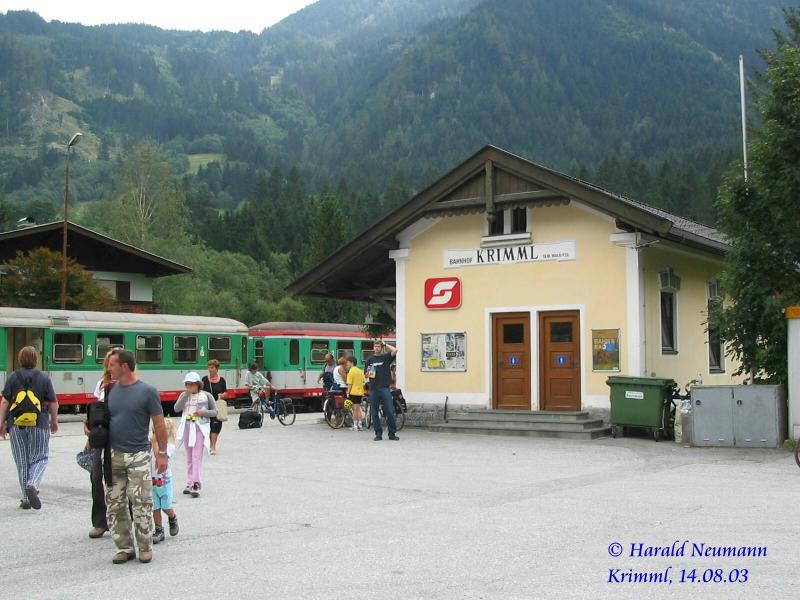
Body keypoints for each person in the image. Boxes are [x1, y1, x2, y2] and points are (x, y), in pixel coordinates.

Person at [105, 348, 168, 565]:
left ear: (124, 366)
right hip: (114, 455)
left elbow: (159, 424)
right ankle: (124, 547)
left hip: (139, 455)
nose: (108, 368)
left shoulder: (148, 391)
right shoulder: (110, 390)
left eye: (112, 364)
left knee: (141, 501)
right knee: (115, 503)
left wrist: (162, 453)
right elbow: (107, 421)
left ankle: (144, 546)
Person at [0, 346, 58, 510]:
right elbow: (53, 402)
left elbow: (5, 401)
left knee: (22, 461)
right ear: (36, 360)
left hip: (16, 424)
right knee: (40, 458)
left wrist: (1, 423)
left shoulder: (13, 377)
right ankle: (33, 484)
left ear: (20, 359)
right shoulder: (44, 377)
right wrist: (54, 421)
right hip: (38, 424)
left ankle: (26, 498)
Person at [85, 350, 114, 538]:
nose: (110, 368)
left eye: (113, 364)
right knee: (96, 476)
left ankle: (122, 519)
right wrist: (89, 437)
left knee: (117, 478)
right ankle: (100, 522)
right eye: (108, 364)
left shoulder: (127, 387)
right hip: (99, 436)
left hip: (119, 436)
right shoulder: (101, 385)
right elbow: (96, 414)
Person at [174, 372, 217, 498]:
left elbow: (215, 412)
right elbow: (176, 408)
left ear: (198, 384)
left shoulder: (206, 395)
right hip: (186, 425)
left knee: (196, 456)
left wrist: (204, 412)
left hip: (199, 426)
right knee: (189, 456)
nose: (190, 386)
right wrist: (185, 395)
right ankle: (189, 482)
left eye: (192, 384)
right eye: (187, 384)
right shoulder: (184, 395)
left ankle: (196, 483)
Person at [363, 340, 399, 441]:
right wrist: (368, 371)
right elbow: (365, 375)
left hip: (384, 387)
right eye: (375, 346)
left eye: (379, 346)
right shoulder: (369, 359)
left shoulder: (386, 357)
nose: (377, 348)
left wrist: (385, 344)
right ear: (373, 348)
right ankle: (378, 434)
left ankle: (392, 433)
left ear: (381, 347)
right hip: (373, 388)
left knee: (390, 411)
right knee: (374, 412)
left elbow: (395, 350)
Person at [151, 418, 179, 544]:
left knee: (165, 506)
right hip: (152, 480)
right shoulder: (151, 443)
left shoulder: (169, 447)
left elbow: (159, 458)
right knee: (155, 507)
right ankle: (158, 529)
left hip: (164, 481)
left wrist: (154, 443)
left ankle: (172, 517)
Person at [202, 359, 227, 455]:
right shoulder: (204, 379)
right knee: (208, 426)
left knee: (216, 425)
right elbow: (200, 390)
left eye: (212, 367)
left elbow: (225, 392)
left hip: (217, 406)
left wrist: (223, 395)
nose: (210, 369)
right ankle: (210, 443)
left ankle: (213, 446)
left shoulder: (222, 380)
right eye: (209, 367)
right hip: (207, 406)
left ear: (216, 369)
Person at [345, 355, 365, 431]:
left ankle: (355, 425)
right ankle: (360, 425)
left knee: (354, 410)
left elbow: (349, 384)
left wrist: (347, 392)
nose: (347, 364)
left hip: (353, 392)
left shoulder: (351, 372)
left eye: (348, 363)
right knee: (358, 409)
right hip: (360, 393)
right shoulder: (360, 371)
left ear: (352, 363)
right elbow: (363, 381)